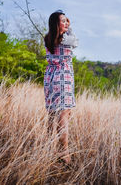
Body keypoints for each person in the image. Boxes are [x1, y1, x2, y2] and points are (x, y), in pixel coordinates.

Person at [43, 9, 78, 163]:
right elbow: (76, 42)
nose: (66, 23)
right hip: (63, 76)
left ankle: (51, 148)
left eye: (66, 20)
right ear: (56, 24)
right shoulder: (66, 38)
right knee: (64, 115)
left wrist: (64, 26)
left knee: (52, 114)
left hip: (50, 76)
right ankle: (64, 153)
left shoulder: (48, 38)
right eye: (63, 21)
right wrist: (69, 28)